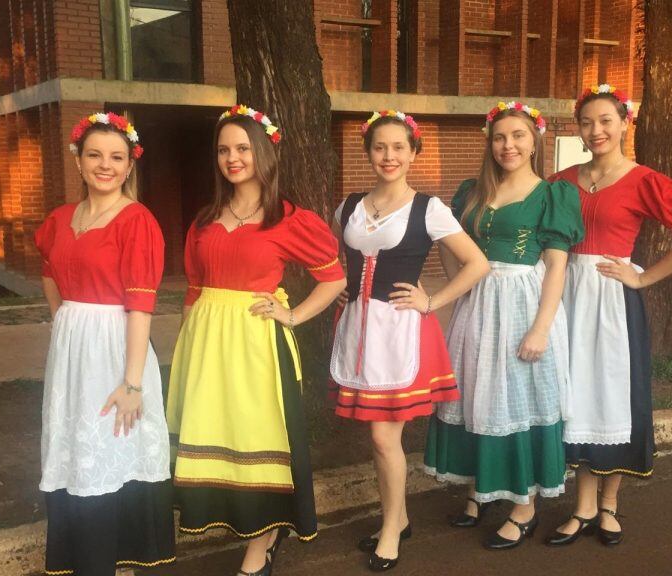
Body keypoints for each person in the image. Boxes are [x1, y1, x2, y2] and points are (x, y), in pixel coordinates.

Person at [166, 105, 346, 576]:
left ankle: (263, 540)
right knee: (220, 435)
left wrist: (291, 315)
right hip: (207, 344)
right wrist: (185, 351)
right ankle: (241, 522)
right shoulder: (205, 217)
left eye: (243, 148)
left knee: (259, 437)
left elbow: (332, 279)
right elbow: (192, 288)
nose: (232, 157)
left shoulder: (288, 218)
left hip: (256, 346)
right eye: (224, 149)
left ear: (263, 151)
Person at [546, 84, 672, 547]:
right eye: (587, 122)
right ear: (577, 129)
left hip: (612, 300)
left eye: (605, 121)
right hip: (566, 297)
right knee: (574, 394)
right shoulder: (560, 182)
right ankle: (580, 506)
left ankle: (609, 504)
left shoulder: (645, 181)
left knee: (614, 396)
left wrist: (642, 278)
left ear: (624, 123)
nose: (596, 130)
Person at [329, 110, 490, 571]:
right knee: (379, 440)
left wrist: (433, 299)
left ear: (413, 152)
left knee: (384, 438)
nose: (389, 156)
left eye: (399, 147)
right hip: (359, 332)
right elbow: (325, 253)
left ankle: (391, 532)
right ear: (368, 152)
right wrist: (337, 280)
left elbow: (477, 264)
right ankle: (396, 520)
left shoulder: (430, 209)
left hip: (401, 334)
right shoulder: (350, 206)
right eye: (380, 147)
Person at [425, 101, 584, 550]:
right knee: (479, 393)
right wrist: (459, 286)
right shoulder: (471, 191)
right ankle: (484, 486)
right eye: (499, 137)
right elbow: (451, 244)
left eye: (517, 136)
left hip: (523, 303)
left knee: (516, 399)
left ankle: (525, 507)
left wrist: (540, 328)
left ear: (535, 140)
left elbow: (556, 267)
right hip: (477, 303)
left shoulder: (552, 194)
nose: (507, 145)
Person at [35, 112, 174, 575]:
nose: (105, 165)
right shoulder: (59, 219)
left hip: (117, 352)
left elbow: (140, 307)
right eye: (94, 154)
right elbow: (50, 273)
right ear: (78, 160)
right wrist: (66, 322)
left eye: (116, 157)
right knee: (76, 452)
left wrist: (132, 382)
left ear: (130, 165)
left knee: (114, 454)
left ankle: (116, 563)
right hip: (73, 356)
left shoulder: (136, 221)